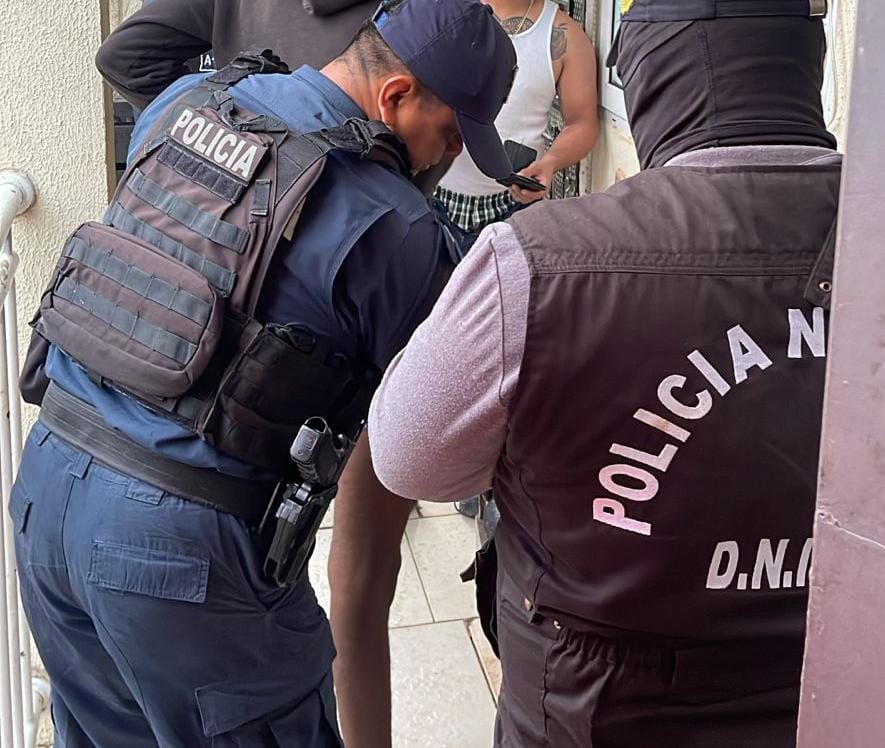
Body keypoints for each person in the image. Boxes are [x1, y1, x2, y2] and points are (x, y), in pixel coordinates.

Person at [10, 2, 516, 745]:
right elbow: (437, 444)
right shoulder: (396, 227)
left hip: (47, 488)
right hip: (179, 559)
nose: (445, 158)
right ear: (396, 95)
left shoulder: (189, 101)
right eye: (449, 135)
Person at [368, 1, 840, 745]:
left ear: (652, 77)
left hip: (594, 708)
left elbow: (408, 458)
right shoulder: (874, 233)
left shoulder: (540, 263)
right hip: (837, 697)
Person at [435, 0, 598, 235]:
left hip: (515, 208)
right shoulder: (442, 13)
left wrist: (550, 162)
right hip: (433, 193)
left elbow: (583, 122)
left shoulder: (565, 36)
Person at [96, 0, 380, 110]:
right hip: (359, 202)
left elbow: (125, 58)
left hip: (242, 198)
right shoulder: (406, 13)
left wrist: (222, 130)